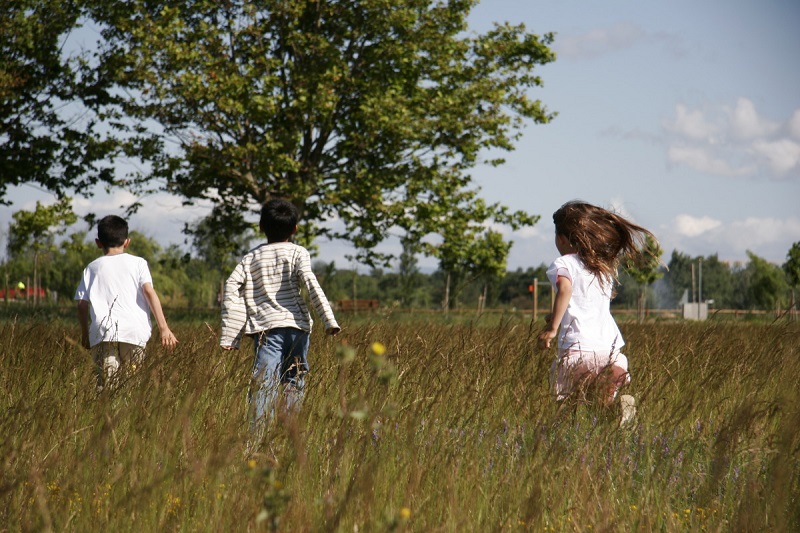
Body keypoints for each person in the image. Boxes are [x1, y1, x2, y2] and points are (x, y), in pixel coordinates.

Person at [220, 199, 340, 437]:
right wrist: (329, 320)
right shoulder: (298, 252)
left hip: (267, 330)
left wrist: (230, 335)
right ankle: (290, 433)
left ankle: (258, 438)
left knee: (264, 382)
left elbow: (231, 287)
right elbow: (310, 283)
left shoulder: (250, 258)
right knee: (294, 378)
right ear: (295, 229)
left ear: (261, 227)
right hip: (298, 327)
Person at [537, 200, 657, 426]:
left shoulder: (564, 263)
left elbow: (566, 289)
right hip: (608, 347)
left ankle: (564, 430)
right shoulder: (601, 266)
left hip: (577, 347)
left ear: (561, 238)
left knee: (567, 397)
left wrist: (553, 329)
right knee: (600, 399)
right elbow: (586, 302)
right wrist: (556, 317)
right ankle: (616, 412)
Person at [75, 215, 178, 390]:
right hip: (133, 331)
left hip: (102, 333)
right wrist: (164, 328)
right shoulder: (138, 263)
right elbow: (148, 292)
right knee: (132, 384)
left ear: (98, 242)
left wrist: (85, 334)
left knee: (106, 386)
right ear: (127, 242)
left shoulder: (91, 268)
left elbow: (82, 304)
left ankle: (106, 414)